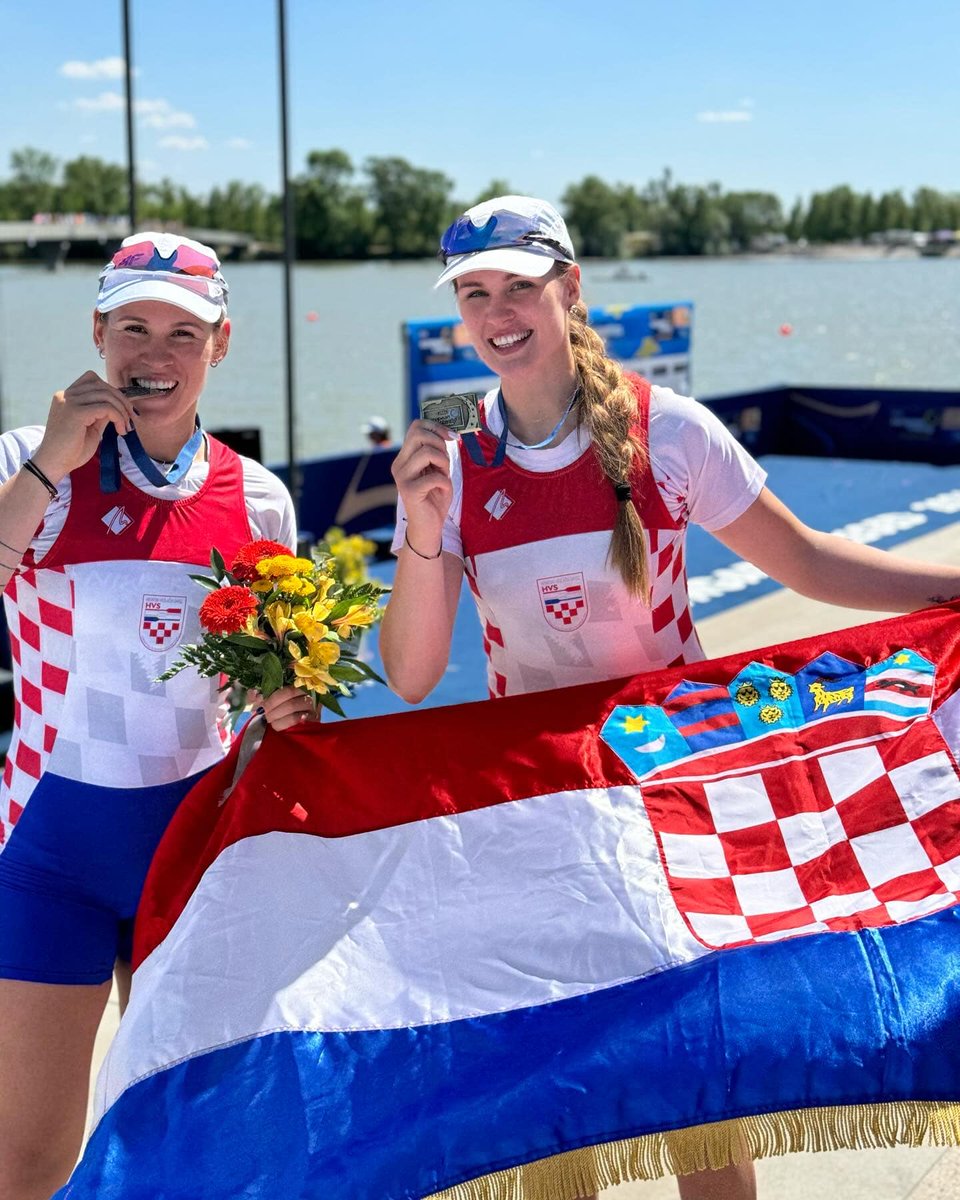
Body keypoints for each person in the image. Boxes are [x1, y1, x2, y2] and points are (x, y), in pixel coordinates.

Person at [379, 195, 960, 1200]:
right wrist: (421, 524)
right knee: (553, 1096)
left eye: (519, 285)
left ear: (570, 289)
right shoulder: (451, 459)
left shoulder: (670, 431)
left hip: (665, 793)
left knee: (700, 1093)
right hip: (540, 803)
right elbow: (415, 674)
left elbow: (809, 561)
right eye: (475, 293)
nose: (496, 311)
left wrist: (950, 596)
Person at [0, 231, 309, 1200]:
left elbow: (264, 681)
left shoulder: (260, 499)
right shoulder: (26, 461)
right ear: (98, 334)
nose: (155, 353)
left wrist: (281, 699)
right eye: (133, 326)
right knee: (31, 1157)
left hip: (195, 851)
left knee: (191, 1146)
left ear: (220, 347)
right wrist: (54, 456)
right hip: (48, 854)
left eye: (184, 332)